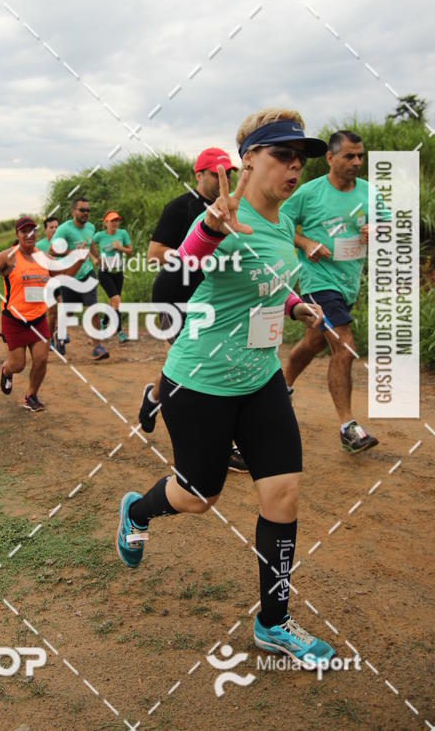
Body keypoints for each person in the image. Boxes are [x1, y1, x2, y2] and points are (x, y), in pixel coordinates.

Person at [116, 108, 338, 669]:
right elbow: (171, 284)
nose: (294, 167)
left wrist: (295, 305)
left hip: (261, 379)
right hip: (200, 383)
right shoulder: (219, 219)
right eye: (281, 155)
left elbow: (266, 280)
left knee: (283, 494)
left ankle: (273, 621)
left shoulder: (284, 221)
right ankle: (138, 512)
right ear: (248, 162)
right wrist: (210, 230)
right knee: (198, 496)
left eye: (300, 158)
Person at [138, 148, 249, 472]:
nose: (223, 178)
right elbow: (155, 253)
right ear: (198, 175)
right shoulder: (181, 206)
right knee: (202, 361)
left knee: (206, 358)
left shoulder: (234, 209)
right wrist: (196, 254)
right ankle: (222, 445)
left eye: (228, 172)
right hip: (176, 296)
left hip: (213, 299)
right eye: (216, 173)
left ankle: (155, 396)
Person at [281, 130, 380, 454]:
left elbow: (389, 225)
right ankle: (348, 427)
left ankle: (281, 389)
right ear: (330, 158)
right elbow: (279, 223)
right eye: (349, 156)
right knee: (345, 346)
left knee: (312, 341)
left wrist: (378, 229)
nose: (356, 162)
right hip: (316, 281)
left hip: (347, 282)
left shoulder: (368, 192)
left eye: (360, 156)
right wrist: (306, 242)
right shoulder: (309, 193)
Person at [0, 217, 86, 412]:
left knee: (42, 359)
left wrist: (79, 260)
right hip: (14, 319)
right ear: (17, 235)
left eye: (32, 231)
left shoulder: (44, 258)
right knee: (18, 364)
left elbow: (65, 275)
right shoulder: (8, 257)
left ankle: (31, 396)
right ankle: (6, 369)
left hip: (38, 318)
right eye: (24, 231)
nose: (29, 235)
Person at [51, 197, 108, 361]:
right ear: (73, 211)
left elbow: (90, 244)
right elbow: (52, 250)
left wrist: (98, 257)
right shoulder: (63, 230)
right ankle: (58, 334)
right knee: (68, 311)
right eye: (82, 210)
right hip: (69, 274)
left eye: (88, 210)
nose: (86, 213)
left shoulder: (90, 227)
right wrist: (72, 253)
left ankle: (97, 347)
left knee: (92, 308)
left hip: (87, 272)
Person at [93, 211, 133, 344]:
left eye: (117, 220)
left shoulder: (123, 234)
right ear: (106, 223)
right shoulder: (100, 236)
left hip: (118, 273)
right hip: (104, 272)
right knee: (116, 300)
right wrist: (95, 258)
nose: (115, 223)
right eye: (112, 220)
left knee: (113, 302)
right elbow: (88, 245)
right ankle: (119, 331)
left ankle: (104, 322)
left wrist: (119, 247)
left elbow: (130, 251)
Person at [36, 215, 66, 355]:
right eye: (51, 227)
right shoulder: (39, 246)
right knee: (52, 312)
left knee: (64, 305)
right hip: (47, 282)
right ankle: (50, 338)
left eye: (56, 227)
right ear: (45, 230)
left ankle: (61, 335)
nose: (54, 230)